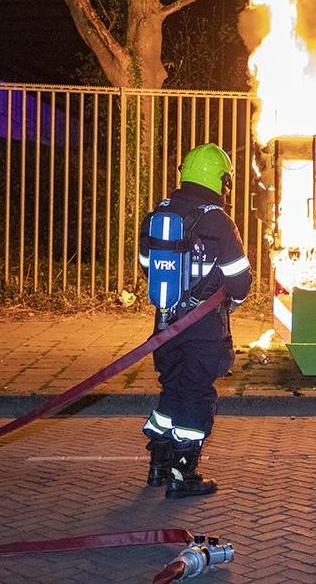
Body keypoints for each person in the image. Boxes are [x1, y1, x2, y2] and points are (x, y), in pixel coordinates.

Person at [138, 143, 252, 499]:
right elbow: (240, 280)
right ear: (220, 181)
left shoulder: (159, 213)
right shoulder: (218, 221)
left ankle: (158, 461)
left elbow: (146, 265)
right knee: (198, 394)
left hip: (166, 324)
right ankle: (182, 473)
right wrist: (225, 304)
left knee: (172, 387)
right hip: (202, 328)